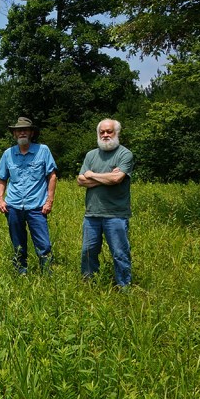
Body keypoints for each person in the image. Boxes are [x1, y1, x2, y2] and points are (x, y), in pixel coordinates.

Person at [0, 117, 58, 274]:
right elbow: (2, 178)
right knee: (18, 245)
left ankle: (47, 276)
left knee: (44, 245)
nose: (22, 132)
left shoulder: (43, 150)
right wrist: (0, 200)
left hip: (37, 206)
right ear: (14, 134)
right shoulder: (8, 154)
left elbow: (52, 176)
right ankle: (21, 274)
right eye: (18, 130)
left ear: (31, 133)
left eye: (25, 130)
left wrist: (49, 201)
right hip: (13, 206)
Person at [77, 119, 134, 288]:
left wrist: (91, 174)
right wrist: (107, 177)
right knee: (88, 252)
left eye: (109, 131)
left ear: (117, 133)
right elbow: (80, 180)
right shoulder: (91, 155)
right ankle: (89, 285)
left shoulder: (125, 154)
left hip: (116, 214)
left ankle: (124, 287)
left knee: (119, 253)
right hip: (92, 214)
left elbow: (117, 179)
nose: (105, 135)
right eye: (102, 132)